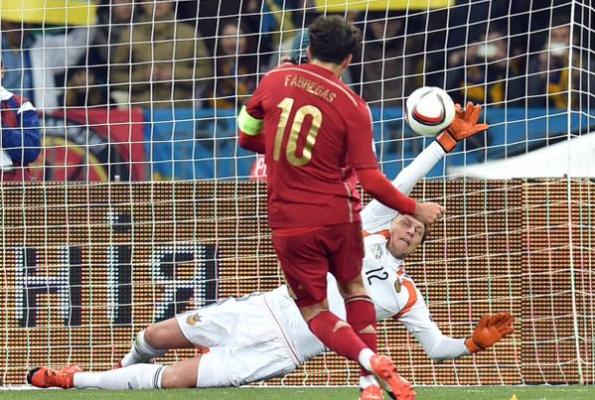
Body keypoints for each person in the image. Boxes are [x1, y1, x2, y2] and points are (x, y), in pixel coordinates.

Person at [26, 102, 510, 400]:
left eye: (415, 230)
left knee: (173, 380)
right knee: (154, 333)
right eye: (405, 219)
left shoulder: (406, 295)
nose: (408, 226)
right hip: (262, 309)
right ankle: (118, 375)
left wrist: (471, 344)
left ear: (418, 245)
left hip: (280, 350)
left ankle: (75, 381)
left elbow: (437, 349)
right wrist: (445, 141)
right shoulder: (367, 230)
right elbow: (402, 181)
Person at [237, 15, 447, 399]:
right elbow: (371, 180)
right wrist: (414, 207)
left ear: (309, 49)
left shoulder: (274, 79)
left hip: (291, 220)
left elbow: (246, 137)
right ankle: (368, 382)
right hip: (339, 215)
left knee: (315, 310)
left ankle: (369, 362)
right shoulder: (354, 106)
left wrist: (289, 148)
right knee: (354, 288)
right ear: (349, 60)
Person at [0, 61, 41, 181]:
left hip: (11, 181)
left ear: (2, 71)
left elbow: (31, 152)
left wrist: (2, 129)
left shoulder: (21, 105)